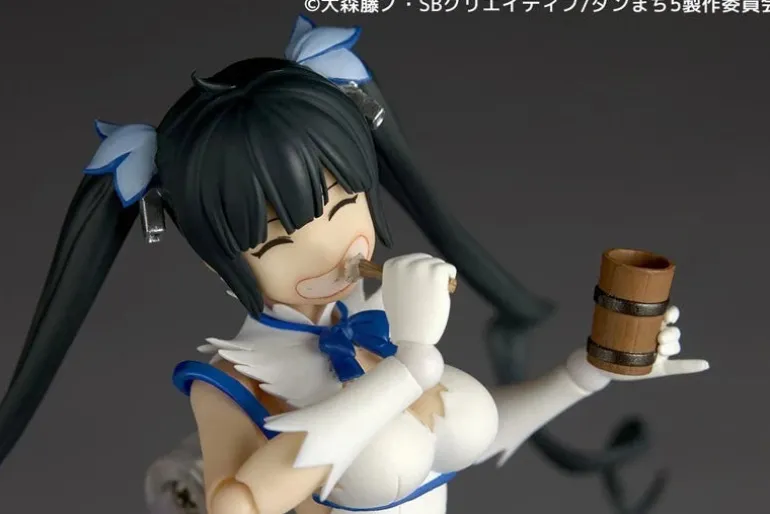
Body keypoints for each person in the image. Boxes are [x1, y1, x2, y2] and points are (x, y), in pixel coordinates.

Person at [0, 15, 708, 514]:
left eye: (344, 203)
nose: (334, 246)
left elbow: (469, 437)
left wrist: (588, 371)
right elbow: (238, 503)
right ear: (221, 264)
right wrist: (408, 368)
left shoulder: (380, 319)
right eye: (278, 240)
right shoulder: (232, 381)